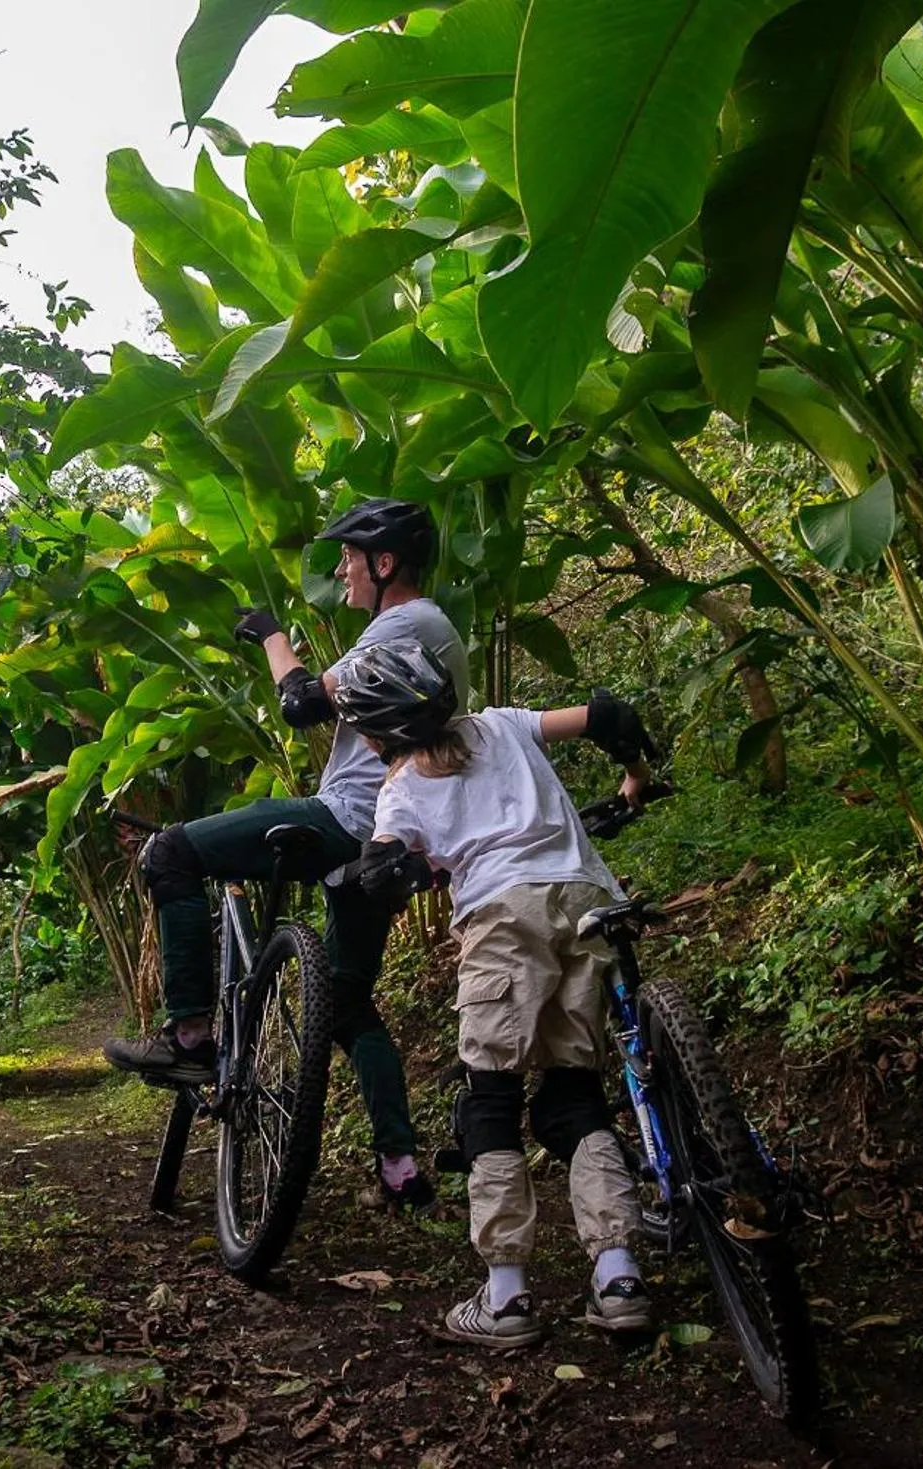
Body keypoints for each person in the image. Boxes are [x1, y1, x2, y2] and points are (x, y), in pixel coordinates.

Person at [102, 498, 470, 1209]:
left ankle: (188, 1035)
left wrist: (271, 634)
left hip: (346, 818)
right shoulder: (437, 632)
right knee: (349, 1004)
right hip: (389, 838)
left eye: (350, 558)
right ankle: (399, 1164)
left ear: (383, 563)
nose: (341, 569)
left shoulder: (403, 624)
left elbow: (301, 702)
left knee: (171, 854)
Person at [334, 639, 659, 1346]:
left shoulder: (399, 789)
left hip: (502, 921)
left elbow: (385, 866)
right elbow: (608, 713)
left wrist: (391, 871)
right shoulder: (504, 722)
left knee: (491, 1098)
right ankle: (618, 1274)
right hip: (585, 901)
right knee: (574, 1095)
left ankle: (507, 1296)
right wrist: (633, 778)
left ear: (374, 732)